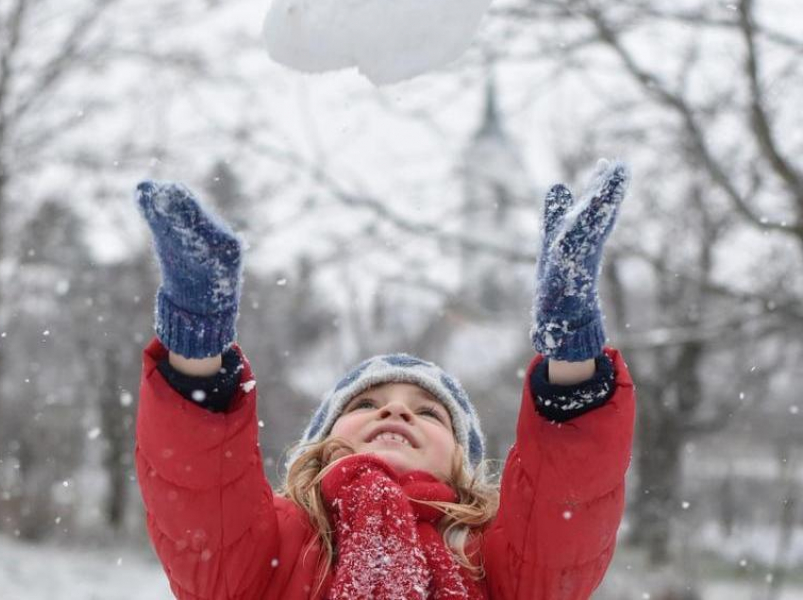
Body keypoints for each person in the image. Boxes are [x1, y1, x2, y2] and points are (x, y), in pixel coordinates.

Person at [133, 159, 636, 599]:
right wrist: (196, 343)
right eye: (365, 404)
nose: (395, 411)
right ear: (323, 443)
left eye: (428, 411)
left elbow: (565, 507)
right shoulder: (274, 542)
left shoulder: (493, 558)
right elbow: (201, 492)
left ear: (461, 464)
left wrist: (570, 352)